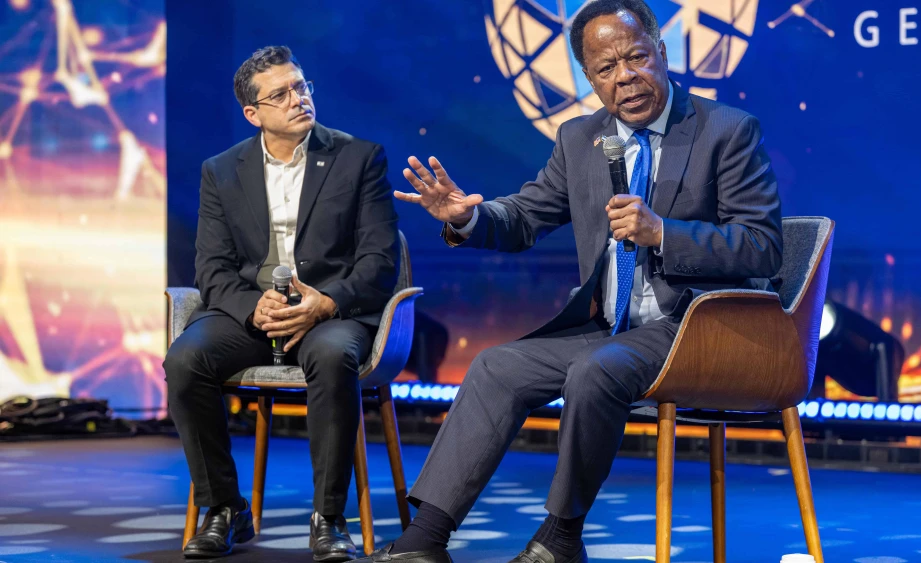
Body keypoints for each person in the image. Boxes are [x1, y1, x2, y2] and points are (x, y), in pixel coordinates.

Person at [363, 1, 783, 562]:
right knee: (496, 366)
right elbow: (525, 217)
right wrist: (469, 217)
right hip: (611, 328)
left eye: (636, 58)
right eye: (606, 68)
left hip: (694, 328)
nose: (625, 77)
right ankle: (425, 539)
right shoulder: (580, 138)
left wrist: (663, 233)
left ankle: (562, 538)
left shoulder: (726, 130)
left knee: (595, 370)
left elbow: (762, 245)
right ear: (589, 78)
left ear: (662, 52)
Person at [163, 45, 400, 561]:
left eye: (301, 86)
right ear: (253, 113)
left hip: (331, 312)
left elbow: (380, 260)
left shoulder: (359, 158)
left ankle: (328, 518)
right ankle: (224, 508)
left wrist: (326, 301)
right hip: (255, 313)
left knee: (332, 356)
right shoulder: (221, 171)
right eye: (281, 94)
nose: (298, 99)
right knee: (184, 360)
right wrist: (254, 308)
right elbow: (212, 268)